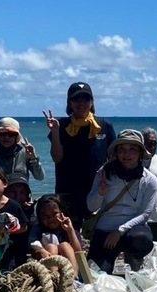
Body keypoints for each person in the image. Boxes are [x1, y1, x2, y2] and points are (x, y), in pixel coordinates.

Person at [86, 129, 157, 274]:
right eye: (122, 149)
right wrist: (100, 193)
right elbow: (91, 207)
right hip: (105, 228)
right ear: (116, 152)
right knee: (96, 275)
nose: (126, 154)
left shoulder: (149, 179)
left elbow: (145, 214)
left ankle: (135, 264)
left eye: (132, 149)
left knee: (141, 239)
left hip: (133, 229)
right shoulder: (104, 173)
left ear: (140, 153)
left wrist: (119, 231)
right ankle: (107, 264)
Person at [45, 82, 118, 230]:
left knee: (99, 232)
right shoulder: (61, 125)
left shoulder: (105, 125)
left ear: (92, 102)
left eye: (86, 98)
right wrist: (55, 132)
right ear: (69, 102)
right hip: (68, 190)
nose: (81, 103)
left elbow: (113, 159)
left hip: (97, 190)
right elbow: (57, 158)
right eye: (76, 99)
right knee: (69, 232)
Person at [0, 117, 44, 190]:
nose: (6, 137)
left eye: (11, 134)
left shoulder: (25, 153)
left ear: (16, 137)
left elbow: (39, 177)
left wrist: (33, 159)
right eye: (2, 134)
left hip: (21, 195)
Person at [30, 195, 83, 279]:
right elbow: (32, 244)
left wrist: (70, 230)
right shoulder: (37, 229)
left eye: (54, 214)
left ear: (62, 212)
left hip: (68, 267)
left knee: (65, 245)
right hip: (46, 267)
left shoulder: (69, 229)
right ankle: (54, 278)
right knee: (51, 247)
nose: (50, 218)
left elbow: (78, 251)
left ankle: (73, 278)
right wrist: (41, 250)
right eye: (45, 215)